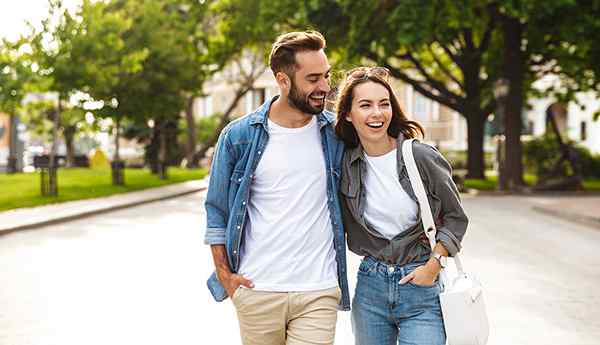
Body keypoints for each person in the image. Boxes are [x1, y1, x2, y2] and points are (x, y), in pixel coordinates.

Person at [203, 31, 350, 345]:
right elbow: (216, 211)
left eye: (326, 76)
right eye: (313, 79)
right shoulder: (239, 136)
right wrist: (225, 277)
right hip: (258, 289)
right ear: (283, 80)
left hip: (318, 289)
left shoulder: (336, 133)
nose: (324, 86)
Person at [334, 66, 468, 345]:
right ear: (348, 114)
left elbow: (456, 218)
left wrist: (435, 265)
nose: (377, 113)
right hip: (371, 285)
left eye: (384, 104)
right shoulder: (345, 164)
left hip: (421, 285)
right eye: (365, 105)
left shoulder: (419, 156)